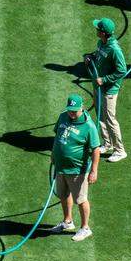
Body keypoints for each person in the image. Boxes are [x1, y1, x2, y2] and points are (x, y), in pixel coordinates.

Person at [49, 94, 102, 241]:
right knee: (63, 195)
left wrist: (94, 170)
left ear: (82, 108)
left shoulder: (88, 125)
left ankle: (85, 228)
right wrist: (54, 153)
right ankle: (67, 221)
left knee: (81, 199)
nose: (71, 113)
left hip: (77, 170)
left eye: (74, 111)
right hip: (61, 167)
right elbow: (57, 136)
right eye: (70, 110)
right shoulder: (62, 117)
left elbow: (96, 149)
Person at [85, 18, 127, 163]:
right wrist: (91, 58)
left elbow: (122, 71)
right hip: (98, 86)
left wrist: (104, 80)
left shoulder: (114, 49)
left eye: (97, 28)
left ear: (103, 33)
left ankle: (120, 150)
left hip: (109, 89)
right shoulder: (101, 43)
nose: (95, 30)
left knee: (110, 119)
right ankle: (107, 143)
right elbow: (99, 56)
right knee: (100, 116)